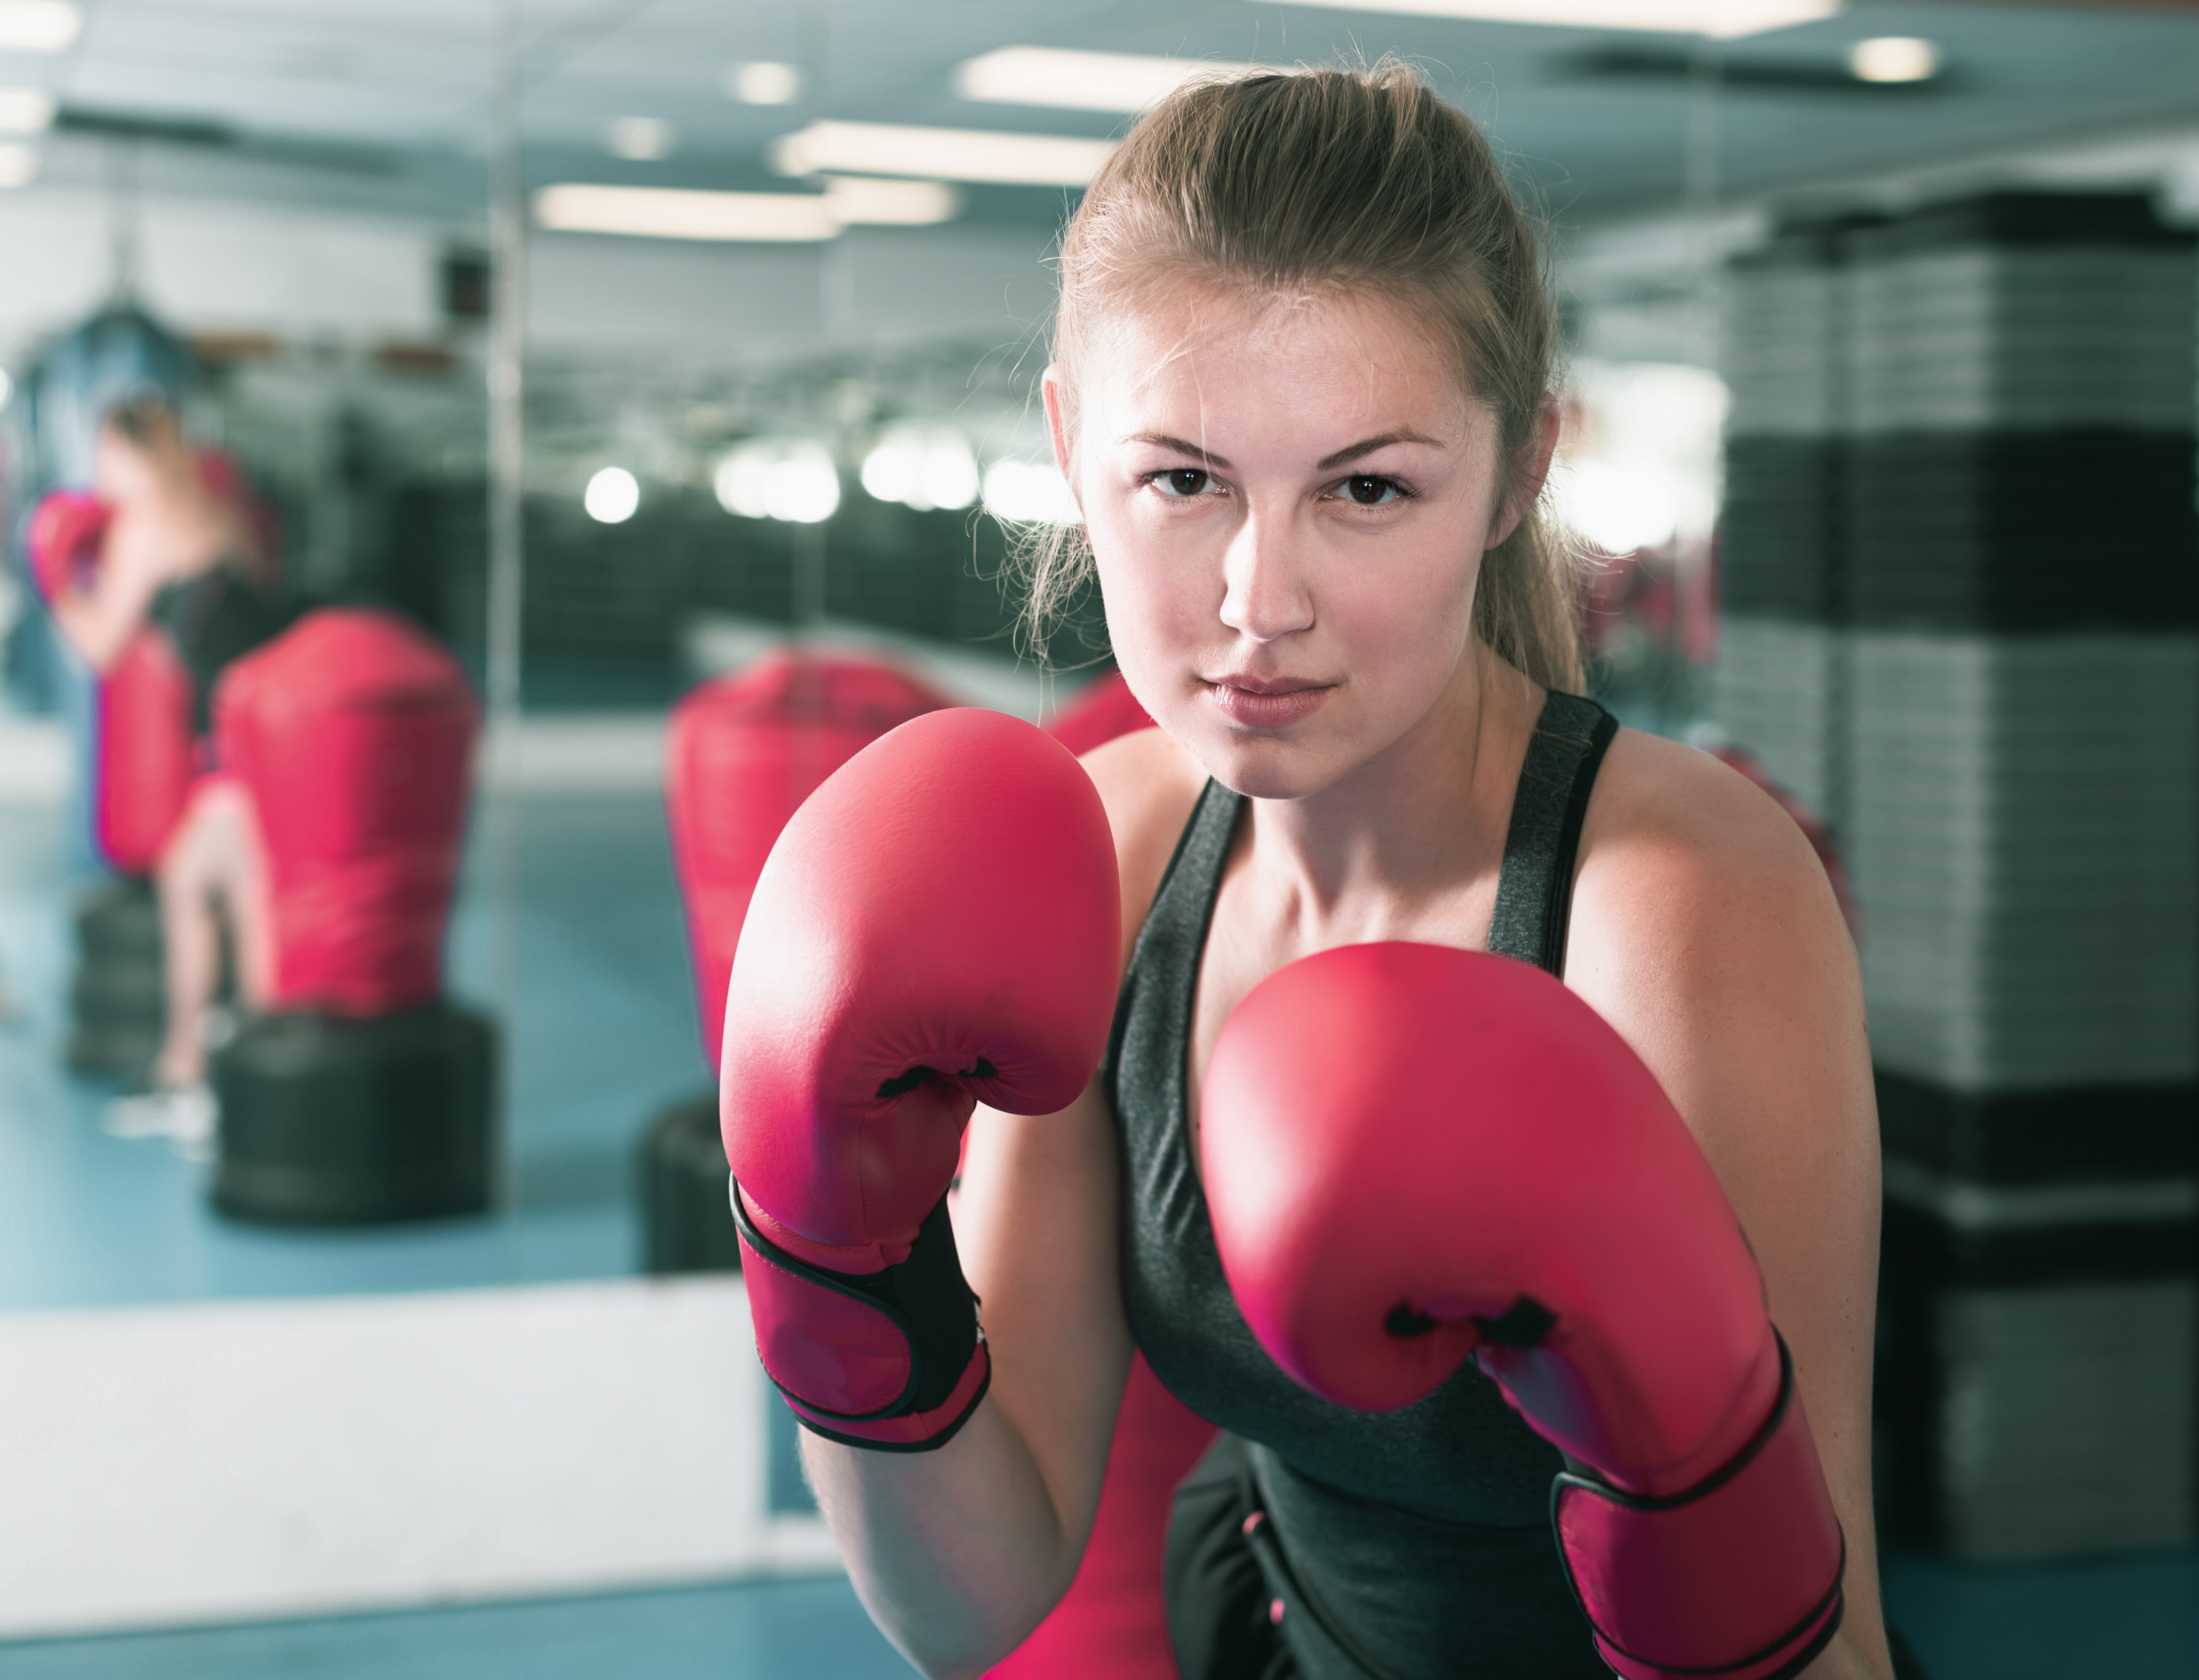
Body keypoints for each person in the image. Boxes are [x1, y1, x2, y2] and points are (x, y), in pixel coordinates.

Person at [729, 63, 1891, 1680]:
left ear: (1517, 472)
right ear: (1070, 446)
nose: (1256, 601)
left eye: (1365, 489)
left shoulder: (1670, 901)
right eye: (1183, 479)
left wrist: (1695, 1481)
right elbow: (968, 1597)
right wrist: (830, 1261)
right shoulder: (1112, 853)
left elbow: (1835, 1656)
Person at [45, 400, 289, 1118]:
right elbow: (204, 624)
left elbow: (99, 648)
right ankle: (227, 1062)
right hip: (264, 727)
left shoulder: (141, 531)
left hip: (230, 744)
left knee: (193, 880)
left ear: (130, 455)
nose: (98, 472)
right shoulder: (218, 515)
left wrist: (57, 578)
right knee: (241, 895)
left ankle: (194, 1072)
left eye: (105, 455)